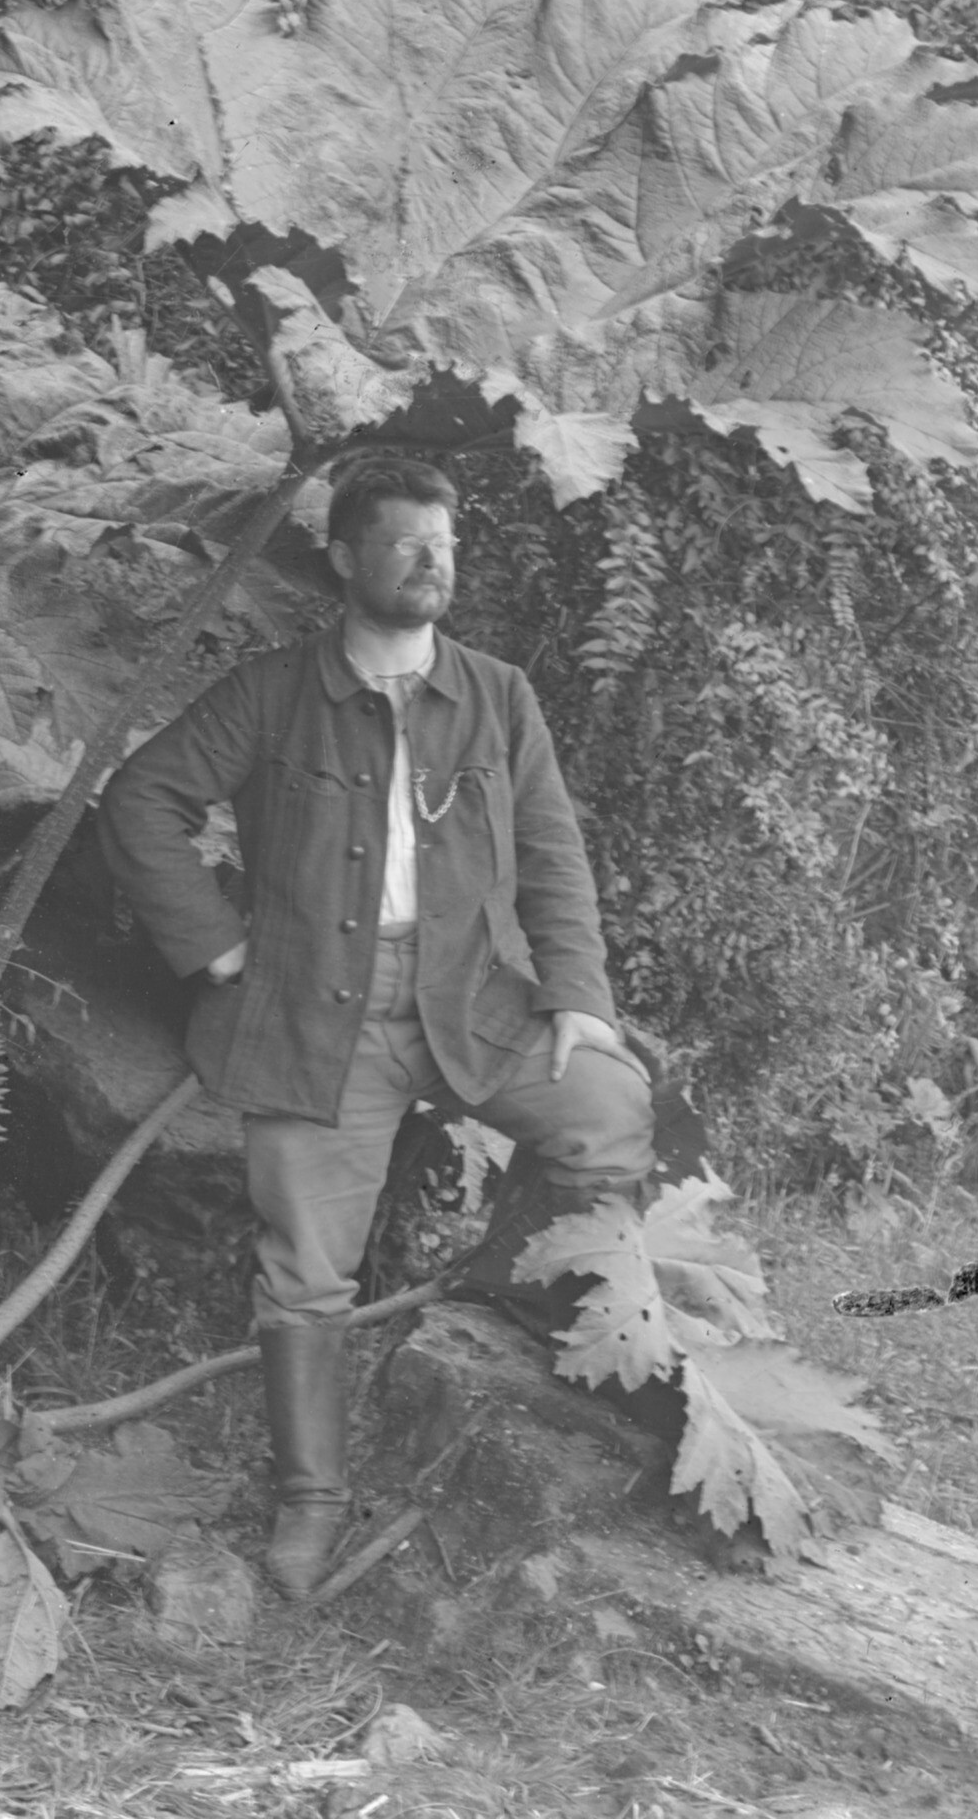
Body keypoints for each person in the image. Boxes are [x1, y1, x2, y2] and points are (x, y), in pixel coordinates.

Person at [97, 453, 671, 1601]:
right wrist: (217, 947)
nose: (430, 564)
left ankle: (555, 1347)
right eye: (406, 543)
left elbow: (554, 855)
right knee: (307, 1268)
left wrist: (577, 999)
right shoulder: (272, 692)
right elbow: (140, 799)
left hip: (474, 997)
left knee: (608, 1112)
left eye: (445, 546)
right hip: (319, 1013)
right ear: (346, 560)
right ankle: (310, 1500)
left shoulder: (498, 693)